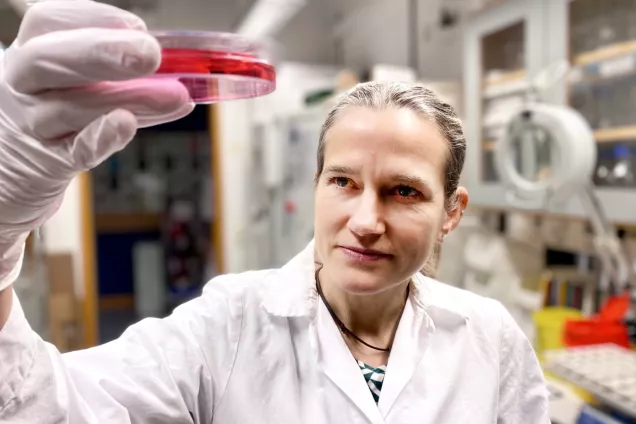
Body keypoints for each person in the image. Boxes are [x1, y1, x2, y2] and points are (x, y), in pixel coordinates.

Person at [0, 1, 550, 423]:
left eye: (403, 191)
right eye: (343, 181)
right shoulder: (226, 325)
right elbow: (46, 405)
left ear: (452, 212)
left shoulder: (490, 338)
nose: (364, 219)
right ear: (316, 186)